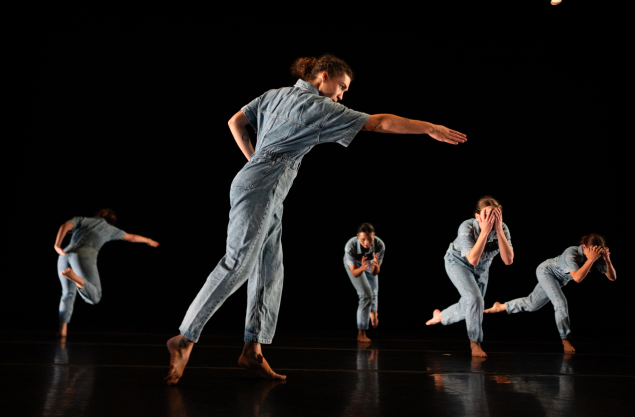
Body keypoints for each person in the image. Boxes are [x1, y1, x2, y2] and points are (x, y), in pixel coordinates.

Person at [164, 53, 467, 384]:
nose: (341, 95)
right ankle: (184, 339)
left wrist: (255, 161)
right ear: (323, 76)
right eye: (341, 87)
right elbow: (378, 122)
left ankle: (253, 351)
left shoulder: (273, 94)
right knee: (238, 264)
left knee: (269, 269)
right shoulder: (319, 107)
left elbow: (235, 121)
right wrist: (429, 128)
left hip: (262, 188)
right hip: (262, 189)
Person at [484, 234, 617, 354]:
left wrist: (607, 260)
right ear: (584, 247)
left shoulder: (596, 256)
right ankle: (565, 340)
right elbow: (577, 278)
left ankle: (501, 306)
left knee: (532, 304)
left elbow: (612, 277)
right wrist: (591, 260)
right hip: (547, 271)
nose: (595, 254)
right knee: (560, 303)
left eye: (598, 251)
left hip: (559, 280)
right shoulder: (572, 252)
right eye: (592, 250)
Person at [425, 196, 514, 358]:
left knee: (472, 303)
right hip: (458, 262)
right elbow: (472, 258)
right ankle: (475, 343)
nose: (492, 219)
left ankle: (442, 316)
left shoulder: (503, 228)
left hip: (482, 266)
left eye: (496, 215)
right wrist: (485, 231)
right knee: (475, 301)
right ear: (478, 216)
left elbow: (508, 260)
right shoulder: (466, 227)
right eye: (488, 215)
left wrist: (499, 231)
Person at [54, 208, 159, 337]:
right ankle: (76, 278)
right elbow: (131, 237)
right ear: (111, 222)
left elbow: (64, 225)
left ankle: (62, 330)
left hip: (64, 255)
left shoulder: (83, 219)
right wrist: (148, 240)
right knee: (95, 296)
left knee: (67, 294)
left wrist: (57, 245)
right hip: (84, 256)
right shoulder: (109, 229)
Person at [344, 223, 385, 343]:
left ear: (374, 235)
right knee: (366, 295)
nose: (367, 243)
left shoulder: (379, 245)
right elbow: (355, 273)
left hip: (370, 263)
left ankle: (373, 312)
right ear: (357, 236)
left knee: (374, 291)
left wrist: (376, 266)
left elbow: (375, 273)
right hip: (355, 266)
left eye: (370, 239)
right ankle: (361, 332)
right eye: (363, 240)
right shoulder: (350, 246)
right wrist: (362, 268)